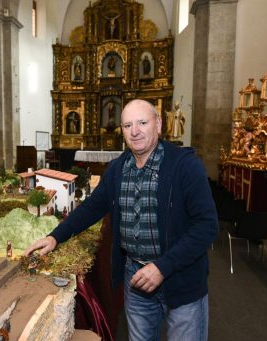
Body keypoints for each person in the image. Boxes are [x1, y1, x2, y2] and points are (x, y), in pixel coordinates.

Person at [25, 99, 218, 340]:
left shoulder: (185, 166)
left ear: (158, 124)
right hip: (136, 278)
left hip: (181, 279)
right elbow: (91, 208)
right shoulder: (117, 169)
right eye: (127, 125)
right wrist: (55, 237)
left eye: (142, 123)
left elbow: (207, 226)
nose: (134, 131)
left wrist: (162, 266)